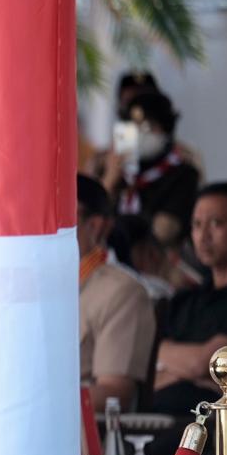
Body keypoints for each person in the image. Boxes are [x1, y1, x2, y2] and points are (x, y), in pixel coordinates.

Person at [76, 175, 156, 411]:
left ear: (95, 225)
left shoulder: (122, 292)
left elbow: (114, 394)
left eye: (59, 214)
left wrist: (33, 402)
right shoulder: (28, 288)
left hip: (78, 437)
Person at [154, 183, 227, 415]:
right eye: (197, 225)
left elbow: (209, 364)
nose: (203, 235)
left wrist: (173, 360)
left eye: (216, 223)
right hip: (160, 418)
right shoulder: (183, 301)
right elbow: (152, 373)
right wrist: (194, 370)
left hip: (214, 428)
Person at [101, 92, 200, 248]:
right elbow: (90, 224)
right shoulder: (114, 169)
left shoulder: (183, 174)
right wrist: (110, 179)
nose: (140, 134)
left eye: (149, 127)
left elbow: (162, 232)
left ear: (166, 131)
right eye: (133, 126)